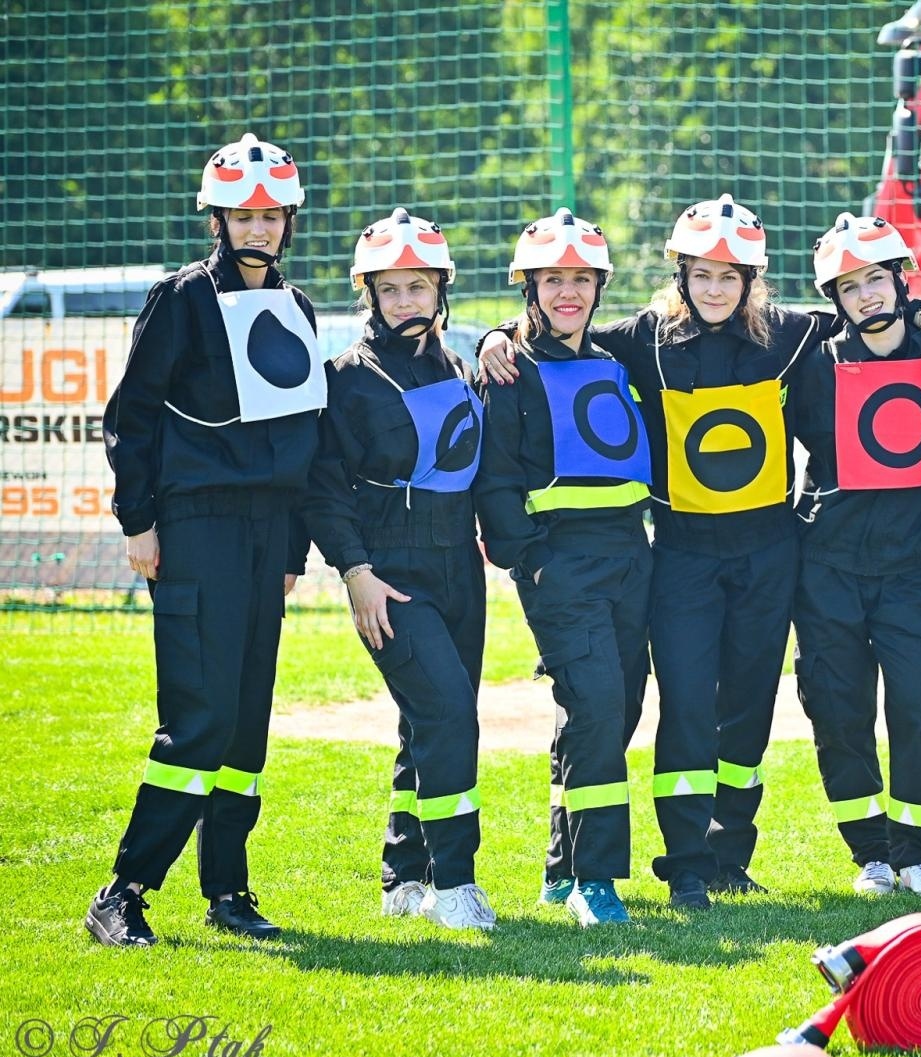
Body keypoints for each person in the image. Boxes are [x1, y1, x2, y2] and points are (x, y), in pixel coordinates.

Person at [477, 196, 921, 910]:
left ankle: (730, 852)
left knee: (748, 710)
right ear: (680, 276)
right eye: (701, 274)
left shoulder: (788, 336)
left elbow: (864, 311)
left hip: (771, 554)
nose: (714, 288)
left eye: (729, 276)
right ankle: (685, 864)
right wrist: (498, 331)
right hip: (681, 557)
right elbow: (561, 331)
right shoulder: (643, 338)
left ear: (751, 280)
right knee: (685, 710)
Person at [89, 133, 323, 946]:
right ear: (216, 219)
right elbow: (132, 416)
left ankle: (229, 889)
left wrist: (293, 550)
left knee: (246, 724)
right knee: (199, 716)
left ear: (289, 220)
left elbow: (301, 432)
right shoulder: (180, 296)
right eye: (242, 215)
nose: (257, 228)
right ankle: (122, 892)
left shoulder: (296, 307)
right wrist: (138, 522)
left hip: (266, 537)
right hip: (193, 528)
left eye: (271, 215)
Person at [302, 208, 494, 930]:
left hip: (460, 570)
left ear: (440, 289)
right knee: (449, 714)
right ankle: (456, 883)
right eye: (391, 289)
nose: (405, 301)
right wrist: (354, 571)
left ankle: (401, 873)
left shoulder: (462, 364)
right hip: (390, 572)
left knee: (427, 723)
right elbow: (323, 488)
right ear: (370, 295)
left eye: (418, 286)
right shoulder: (347, 379)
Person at [474, 209, 653, 926]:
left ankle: (560, 861)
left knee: (616, 709)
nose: (568, 292)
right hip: (559, 563)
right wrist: (530, 558)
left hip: (630, 556)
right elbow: (493, 477)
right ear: (530, 287)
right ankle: (596, 879)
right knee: (599, 705)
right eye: (553, 280)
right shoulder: (509, 369)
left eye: (581, 278)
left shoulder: (614, 361)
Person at [790, 214, 921, 897]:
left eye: (877, 279)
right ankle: (870, 854)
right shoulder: (810, 360)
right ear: (834, 298)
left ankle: (920, 853)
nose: (867, 296)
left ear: (899, 279)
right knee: (836, 709)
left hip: (913, 568)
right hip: (826, 565)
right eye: (850, 286)